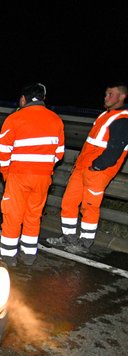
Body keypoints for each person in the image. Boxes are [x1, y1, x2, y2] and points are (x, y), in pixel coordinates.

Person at [47, 84, 128, 252]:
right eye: (106, 93)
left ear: (122, 97)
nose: (105, 97)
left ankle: (85, 243)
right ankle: (68, 237)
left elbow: (115, 150)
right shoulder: (105, 115)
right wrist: (81, 165)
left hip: (97, 171)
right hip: (82, 168)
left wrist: (97, 166)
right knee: (69, 201)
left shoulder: (122, 119)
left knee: (89, 206)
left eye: (110, 94)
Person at [0, 83, 65, 267]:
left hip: (18, 174)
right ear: (43, 99)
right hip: (43, 177)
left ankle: (9, 256)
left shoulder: (15, 118)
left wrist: (6, 174)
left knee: (12, 214)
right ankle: (29, 254)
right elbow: (59, 153)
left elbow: (2, 151)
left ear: (23, 99)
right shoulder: (56, 120)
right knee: (34, 214)